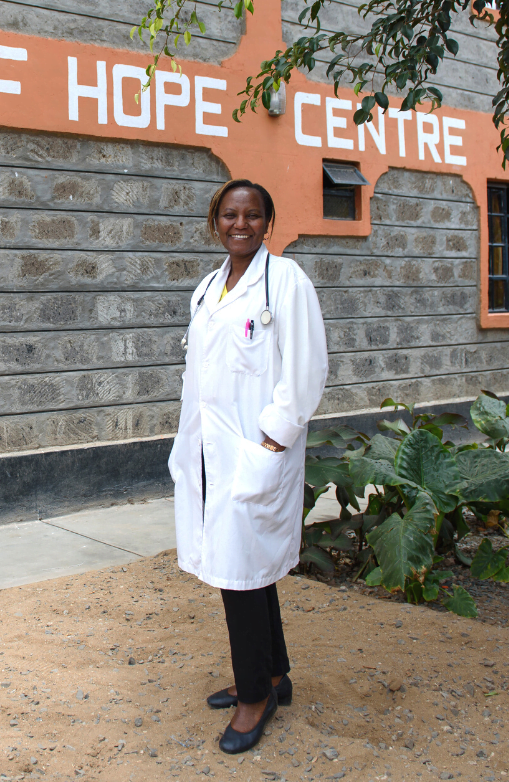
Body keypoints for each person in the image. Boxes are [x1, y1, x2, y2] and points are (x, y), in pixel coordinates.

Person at [171, 178, 329, 754]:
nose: (241, 225)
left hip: (255, 452)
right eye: (231, 215)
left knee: (240, 574)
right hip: (209, 449)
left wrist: (272, 442)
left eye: (253, 215)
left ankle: (254, 699)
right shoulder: (209, 287)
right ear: (217, 220)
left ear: (268, 221)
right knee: (249, 571)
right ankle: (274, 673)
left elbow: (307, 371)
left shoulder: (285, 282)